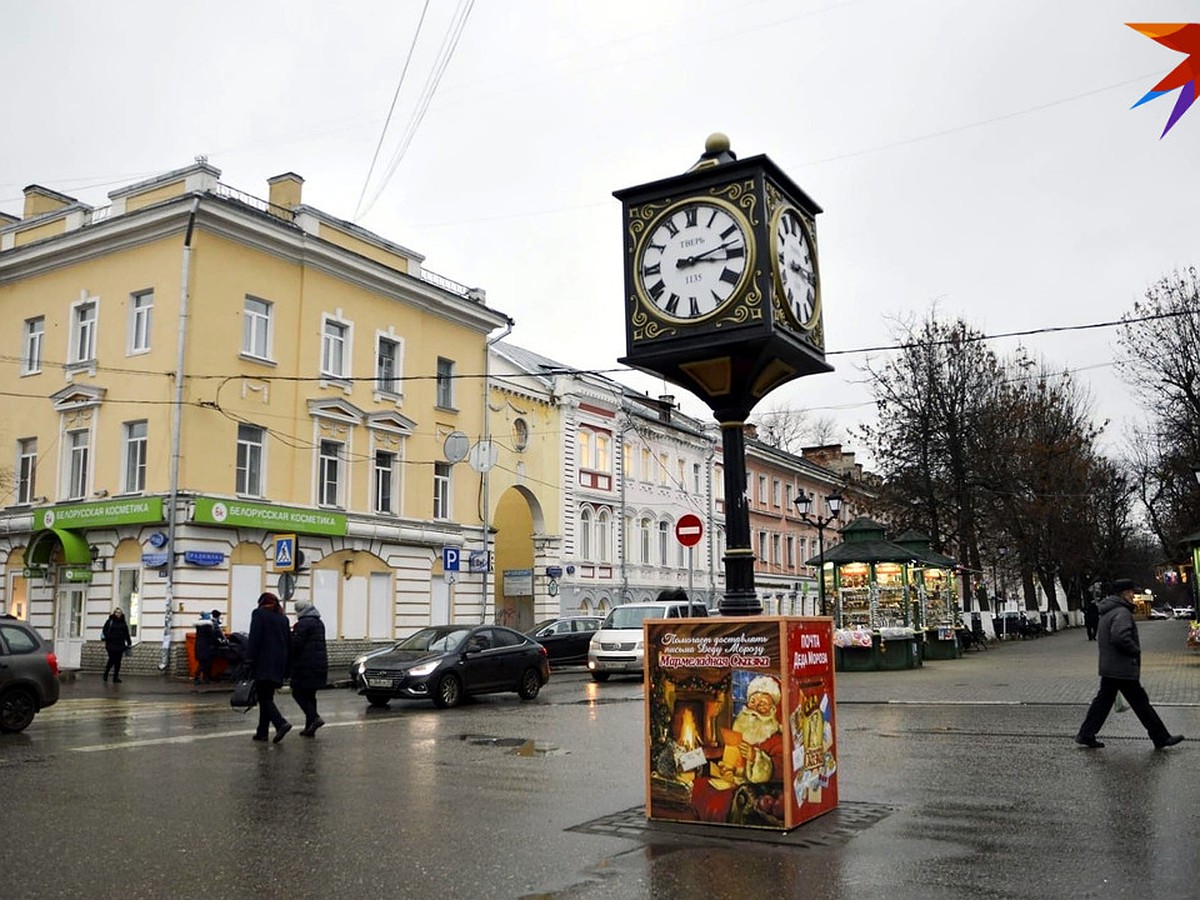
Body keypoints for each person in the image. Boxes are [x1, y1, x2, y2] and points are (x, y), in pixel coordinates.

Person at [1075, 578, 1184, 750]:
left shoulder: (1107, 611)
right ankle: (1161, 737)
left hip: (1111, 666)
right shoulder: (1122, 612)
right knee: (1140, 703)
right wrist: (1135, 650)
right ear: (1125, 593)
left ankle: (1086, 734)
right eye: (1132, 592)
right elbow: (1120, 636)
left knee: (1103, 702)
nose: (1134, 595)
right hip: (1122, 667)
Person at [691, 675, 785, 823]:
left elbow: (779, 769)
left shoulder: (776, 738)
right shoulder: (744, 729)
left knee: (717, 801)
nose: (755, 708)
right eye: (752, 702)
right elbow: (730, 754)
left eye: (762, 704)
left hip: (750, 788)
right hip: (731, 780)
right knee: (699, 786)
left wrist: (755, 757)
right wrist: (729, 768)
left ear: (772, 709)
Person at [246, 591, 292, 743]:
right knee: (267, 697)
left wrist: (249, 659)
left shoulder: (259, 614)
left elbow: (255, 638)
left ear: (261, 602)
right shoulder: (283, 619)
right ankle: (262, 732)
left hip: (263, 662)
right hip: (279, 663)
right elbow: (288, 642)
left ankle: (280, 723)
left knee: (264, 698)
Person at [290, 599, 328, 737]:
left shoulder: (303, 624)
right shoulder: (319, 623)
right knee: (310, 695)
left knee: (297, 693)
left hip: (305, 665)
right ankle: (310, 728)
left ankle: (315, 718)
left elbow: (297, 645)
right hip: (319, 665)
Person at [101, 608, 132, 683]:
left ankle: (115, 677)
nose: (118, 614)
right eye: (117, 613)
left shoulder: (123, 622)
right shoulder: (110, 621)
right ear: (114, 613)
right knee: (112, 659)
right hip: (111, 644)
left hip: (120, 644)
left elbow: (126, 633)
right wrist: (108, 637)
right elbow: (105, 630)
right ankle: (106, 673)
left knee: (118, 661)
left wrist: (128, 641)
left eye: (120, 613)